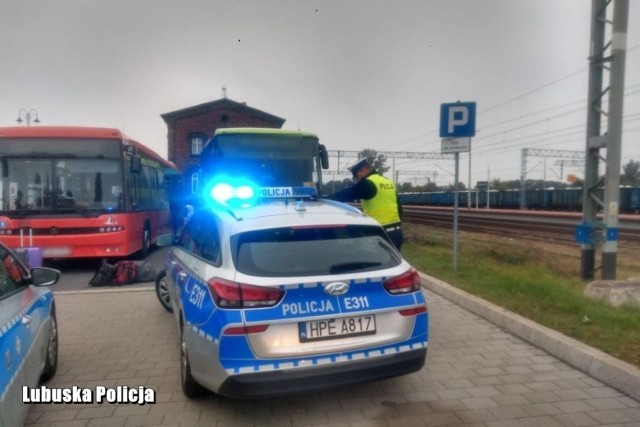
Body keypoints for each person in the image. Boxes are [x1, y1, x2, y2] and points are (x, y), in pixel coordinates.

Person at [327, 158, 404, 251]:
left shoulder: (367, 183)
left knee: (378, 263)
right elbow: (399, 207)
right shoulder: (388, 182)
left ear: (362, 171)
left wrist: (322, 199)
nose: (357, 179)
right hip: (397, 233)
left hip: (380, 234)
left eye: (356, 176)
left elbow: (344, 195)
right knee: (395, 263)